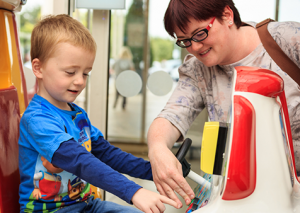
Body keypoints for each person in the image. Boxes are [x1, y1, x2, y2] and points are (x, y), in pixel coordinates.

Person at [147, 0, 300, 208]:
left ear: (227, 15)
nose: (194, 47)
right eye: (185, 41)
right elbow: (172, 114)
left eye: (200, 34)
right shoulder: (198, 70)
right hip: (245, 197)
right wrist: (157, 147)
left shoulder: (288, 39)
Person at [18, 14, 178, 213]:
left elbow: (107, 154)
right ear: (38, 68)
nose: (80, 81)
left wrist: (156, 171)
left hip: (87, 205)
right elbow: (80, 161)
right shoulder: (37, 120)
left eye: (85, 73)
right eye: (70, 72)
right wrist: (134, 191)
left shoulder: (77, 115)